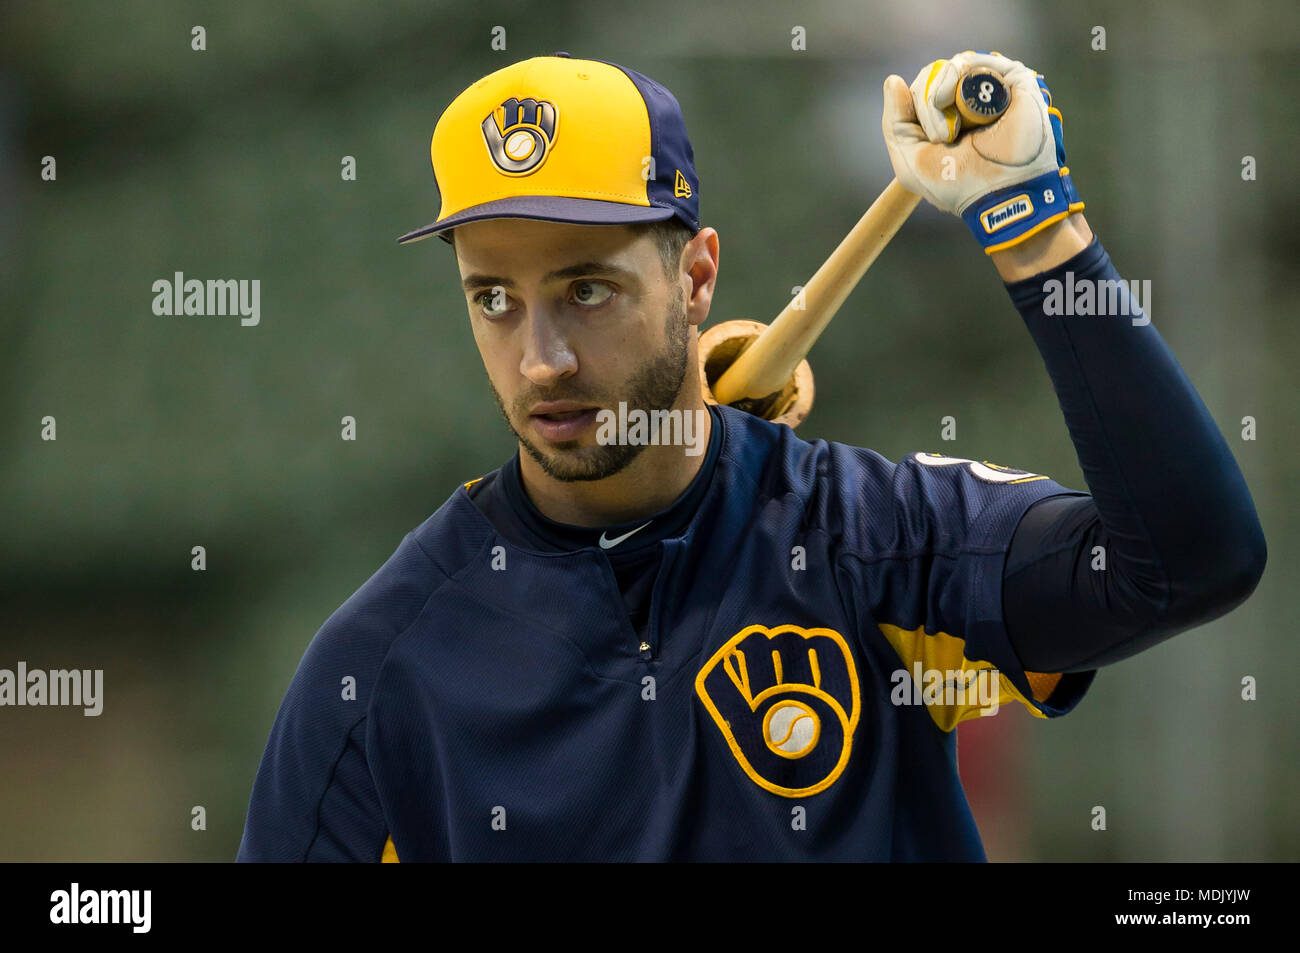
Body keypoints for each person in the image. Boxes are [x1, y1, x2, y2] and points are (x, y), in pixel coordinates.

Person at [236, 51, 1266, 861]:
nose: (539, 357)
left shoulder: (873, 545)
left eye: (587, 289)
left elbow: (1189, 561)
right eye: (493, 298)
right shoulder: (380, 668)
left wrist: (1036, 227)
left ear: (695, 277)